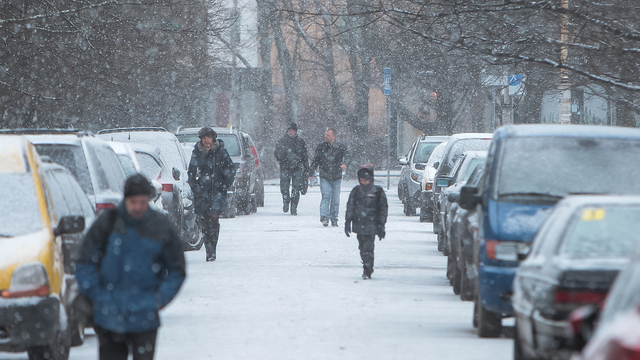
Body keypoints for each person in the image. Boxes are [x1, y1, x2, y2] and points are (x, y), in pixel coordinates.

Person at [75, 174, 186, 360]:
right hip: (109, 317)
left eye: (142, 202)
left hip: (145, 318)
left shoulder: (160, 227)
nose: (137, 207)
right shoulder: (107, 223)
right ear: (125, 199)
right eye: (133, 202)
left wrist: (158, 299)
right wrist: (97, 295)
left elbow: (177, 269)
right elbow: (84, 261)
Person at [187, 127, 236, 262]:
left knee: (213, 220)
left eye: (209, 138)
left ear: (213, 139)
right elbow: (191, 171)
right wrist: (196, 187)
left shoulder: (221, 152)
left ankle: (211, 249)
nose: (206, 141)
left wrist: (224, 185)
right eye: (204, 138)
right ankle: (208, 246)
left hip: (217, 191)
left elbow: (231, 170)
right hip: (202, 192)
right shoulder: (196, 153)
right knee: (204, 221)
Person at [344, 164, 388, 280]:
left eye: (366, 180)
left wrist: (381, 224)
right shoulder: (356, 191)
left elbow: (383, 208)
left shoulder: (377, 191)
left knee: (369, 247)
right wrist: (348, 221)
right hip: (359, 223)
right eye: (362, 180)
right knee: (362, 247)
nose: (364, 183)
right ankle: (366, 263)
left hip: (372, 224)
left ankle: (368, 268)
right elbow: (350, 206)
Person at [309, 127, 350, 227]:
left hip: (336, 176)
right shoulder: (321, 147)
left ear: (334, 137)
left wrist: (346, 163)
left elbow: (348, 155)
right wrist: (311, 173)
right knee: (326, 196)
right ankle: (324, 216)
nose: (326, 137)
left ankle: (334, 218)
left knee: (335, 199)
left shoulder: (340, 147)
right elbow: (316, 160)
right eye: (325, 135)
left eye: (328, 135)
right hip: (325, 175)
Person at [274, 122, 309, 215]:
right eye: (289, 130)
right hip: (285, 167)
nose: (291, 132)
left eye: (292, 130)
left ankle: (294, 207)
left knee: (296, 188)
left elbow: (305, 156)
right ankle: (286, 201)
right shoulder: (282, 141)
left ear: (296, 131)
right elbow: (277, 153)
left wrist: (306, 168)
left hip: (297, 168)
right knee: (284, 187)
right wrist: (282, 160)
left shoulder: (300, 142)